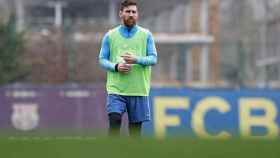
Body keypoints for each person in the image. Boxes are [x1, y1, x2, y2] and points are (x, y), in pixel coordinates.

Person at [98, 0, 157, 137]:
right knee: (115, 120)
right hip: (116, 90)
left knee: (135, 133)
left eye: (134, 12)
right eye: (128, 11)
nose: (131, 14)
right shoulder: (110, 35)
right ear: (120, 13)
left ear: (137, 15)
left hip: (138, 90)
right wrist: (116, 66)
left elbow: (153, 59)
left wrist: (137, 59)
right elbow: (102, 59)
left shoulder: (146, 35)